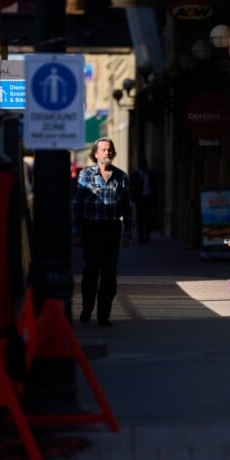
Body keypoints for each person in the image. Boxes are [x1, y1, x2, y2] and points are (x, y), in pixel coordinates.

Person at [72, 137, 132, 327]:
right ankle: (86, 310)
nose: (107, 152)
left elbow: (127, 207)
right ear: (96, 154)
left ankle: (103, 315)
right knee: (91, 270)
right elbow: (77, 205)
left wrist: (128, 233)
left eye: (110, 149)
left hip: (112, 229)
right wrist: (76, 232)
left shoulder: (121, 176)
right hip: (91, 228)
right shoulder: (86, 175)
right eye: (103, 149)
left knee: (109, 273)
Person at [130, 157, 156, 244]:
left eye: (144, 164)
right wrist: (133, 198)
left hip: (148, 198)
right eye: (142, 164)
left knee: (148, 218)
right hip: (139, 199)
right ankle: (141, 237)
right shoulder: (135, 175)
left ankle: (147, 236)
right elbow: (131, 187)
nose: (144, 166)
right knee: (140, 218)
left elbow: (154, 186)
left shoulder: (150, 174)